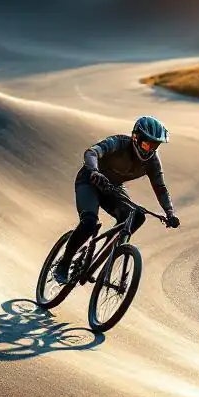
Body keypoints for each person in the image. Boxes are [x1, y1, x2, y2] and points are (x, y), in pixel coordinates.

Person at [54, 115, 180, 284]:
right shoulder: (119, 143)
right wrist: (94, 171)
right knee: (89, 222)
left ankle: (101, 259)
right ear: (136, 137)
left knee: (137, 217)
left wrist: (170, 213)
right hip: (90, 181)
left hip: (112, 189)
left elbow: (161, 188)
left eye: (155, 146)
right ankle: (64, 263)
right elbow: (91, 152)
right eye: (147, 144)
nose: (150, 150)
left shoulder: (153, 162)